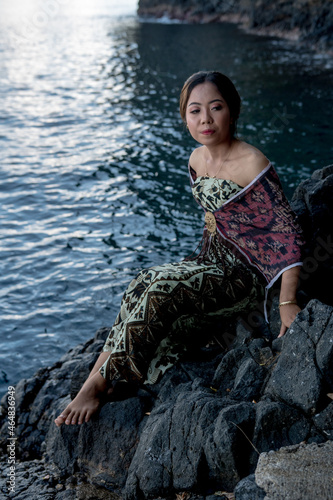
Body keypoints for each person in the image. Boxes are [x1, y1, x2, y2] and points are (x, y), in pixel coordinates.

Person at [55, 71, 304, 427]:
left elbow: (287, 234)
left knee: (158, 289)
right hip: (209, 260)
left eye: (215, 108)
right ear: (185, 117)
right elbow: (216, 220)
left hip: (243, 275)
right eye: (195, 110)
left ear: (232, 111)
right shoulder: (196, 159)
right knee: (143, 281)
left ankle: (97, 385)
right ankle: (102, 377)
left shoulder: (252, 163)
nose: (205, 119)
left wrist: (287, 301)